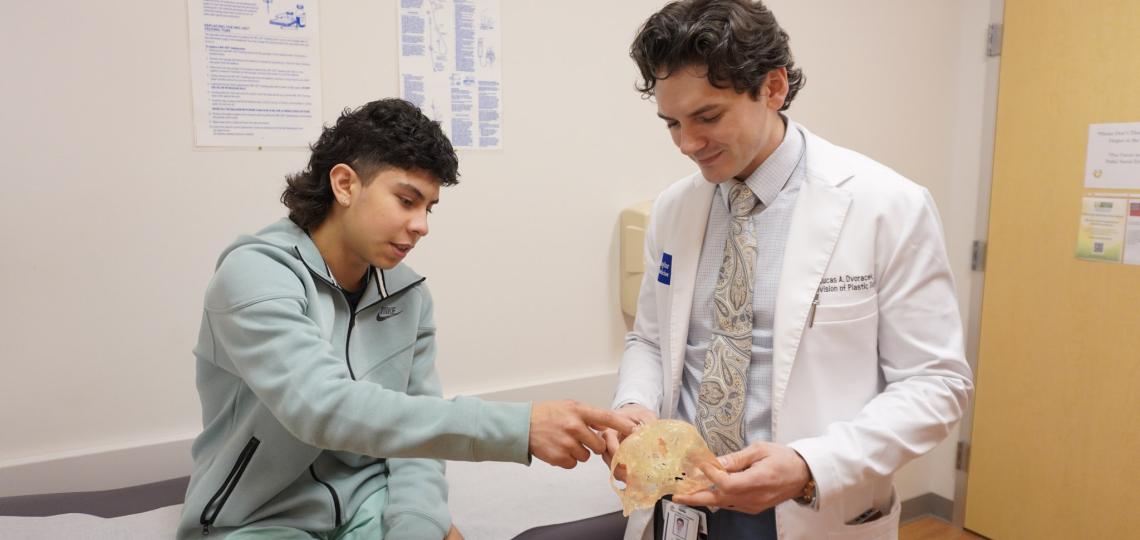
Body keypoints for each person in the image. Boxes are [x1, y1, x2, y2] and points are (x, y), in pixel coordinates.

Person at [178, 99, 635, 539]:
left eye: (429, 207)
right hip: (260, 519)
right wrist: (520, 428)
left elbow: (416, 448)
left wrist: (416, 525)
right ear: (344, 184)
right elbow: (322, 409)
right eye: (406, 200)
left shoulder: (408, 293)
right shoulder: (254, 276)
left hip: (368, 507)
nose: (422, 225)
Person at [601, 1, 974, 539]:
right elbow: (652, 341)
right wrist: (634, 405)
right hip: (682, 502)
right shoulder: (674, 209)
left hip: (809, 502)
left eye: (708, 117)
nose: (688, 144)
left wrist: (809, 464)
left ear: (773, 88)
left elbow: (937, 384)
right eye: (672, 124)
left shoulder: (887, 205)